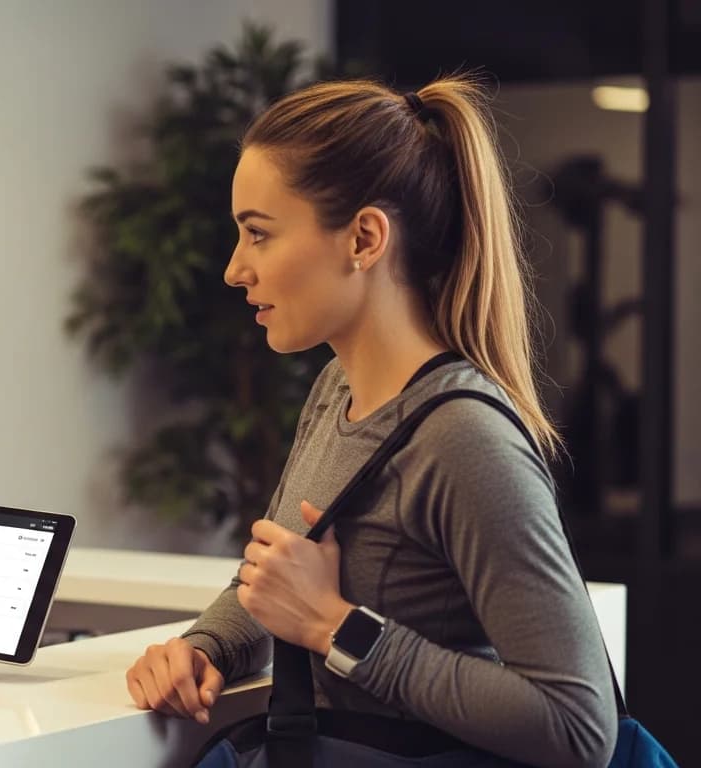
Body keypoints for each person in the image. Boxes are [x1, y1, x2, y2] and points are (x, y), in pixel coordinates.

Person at [124, 76, 616, 767]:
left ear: (363, 237)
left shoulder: (464, 440)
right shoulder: (336, 389)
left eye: (258, 235)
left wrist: (335, 626)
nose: (236, 270)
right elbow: (276, 582)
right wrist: (204, 647)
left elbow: (578, 728)